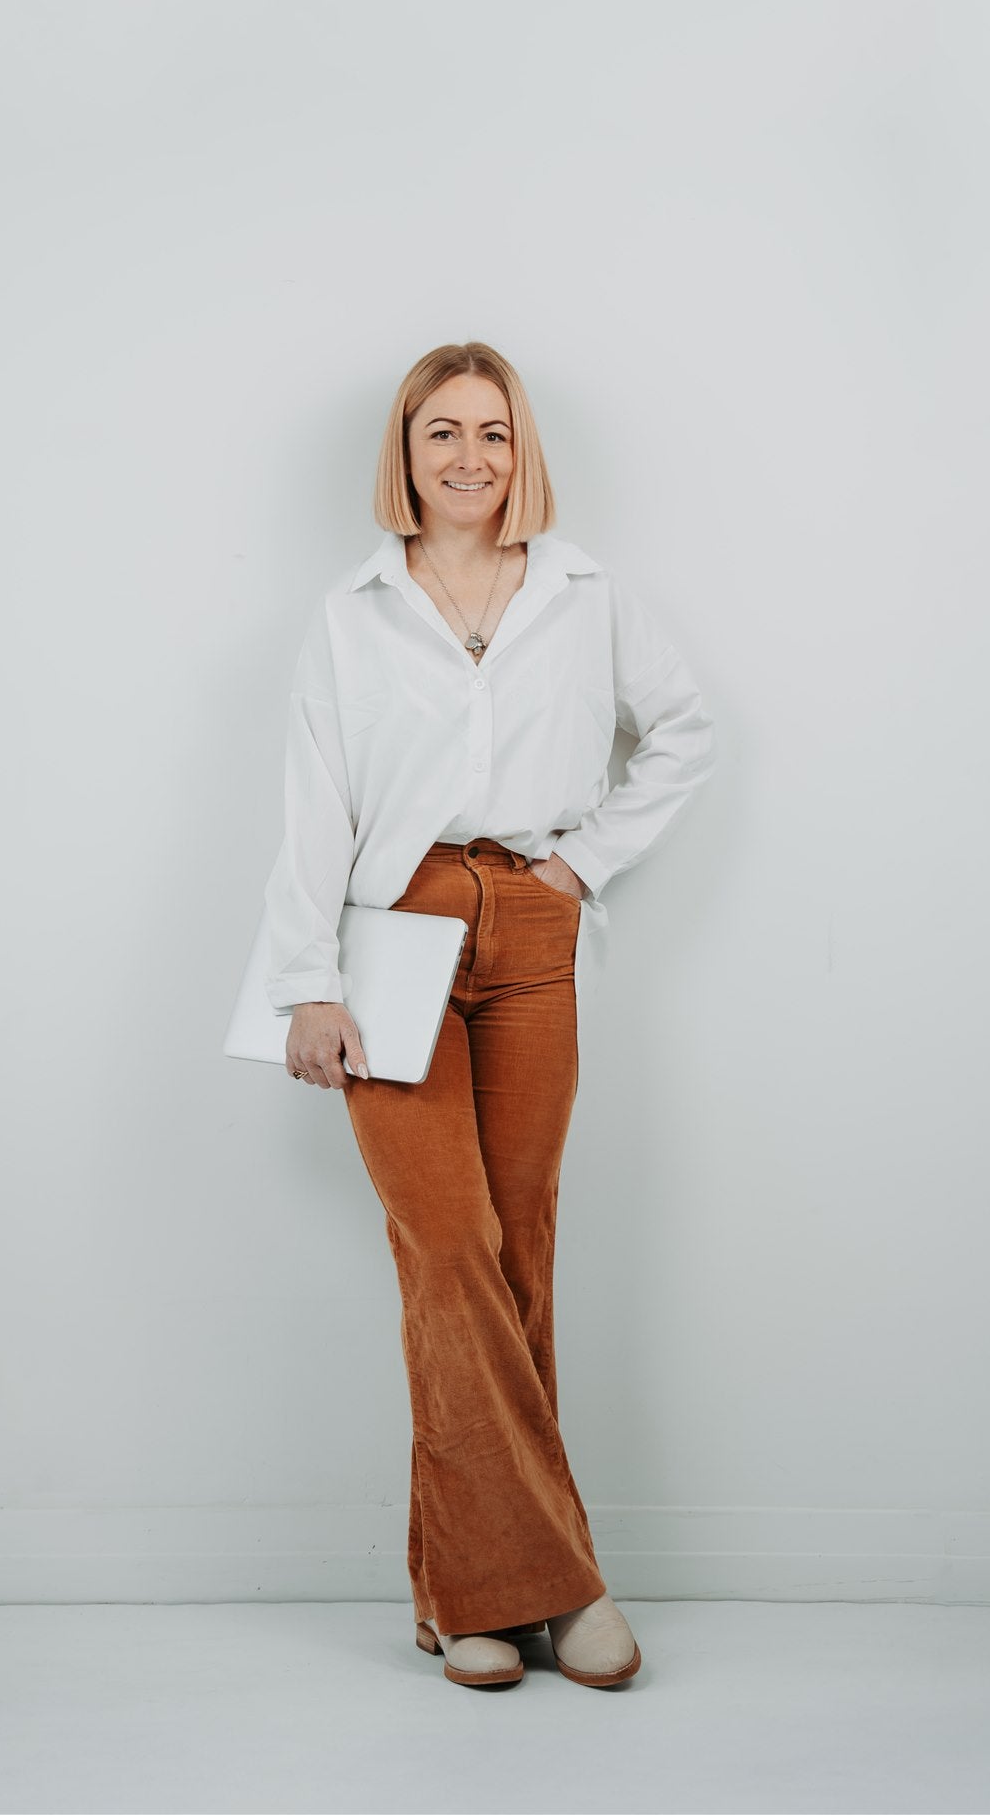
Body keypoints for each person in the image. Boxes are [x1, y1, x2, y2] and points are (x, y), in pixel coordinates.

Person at [260, 340, 717, 1689]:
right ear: (404, 455)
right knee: (448, 1247)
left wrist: (579, 866)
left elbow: (684, 731)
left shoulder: (584, 594)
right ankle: (561, 1586)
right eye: (442, 432)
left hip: (531, 925)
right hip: (390, 933)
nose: (469, 456)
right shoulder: (351, 613)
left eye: (493, 433)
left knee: (517, 1252)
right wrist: (305, 981)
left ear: (522, 454)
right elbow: (314, 802)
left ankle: (467, 1596)